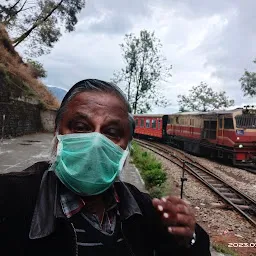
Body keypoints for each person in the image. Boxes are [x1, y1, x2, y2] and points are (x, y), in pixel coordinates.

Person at [0, 79, 211, 256]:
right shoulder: (9, 198)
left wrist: (188, 238)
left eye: (111, 132)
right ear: (57, 134)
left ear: (126, 146)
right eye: (81, 127)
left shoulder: (146, 210)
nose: (96, 141)